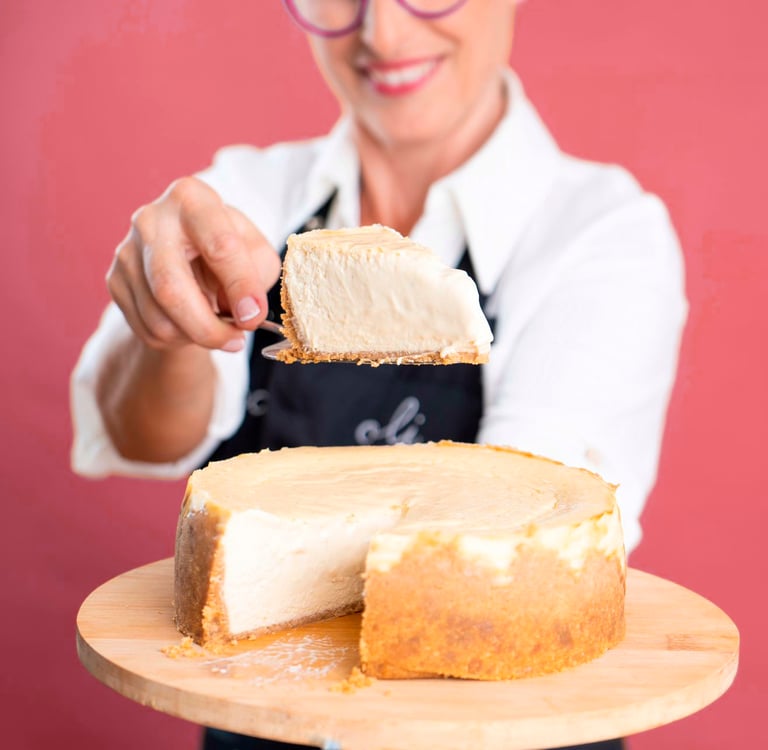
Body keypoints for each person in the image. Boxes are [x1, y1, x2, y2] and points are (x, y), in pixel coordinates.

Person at [70, 1, 688, 748]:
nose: (383, 34)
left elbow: (524, 542)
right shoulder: (241, 198)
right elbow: (143, 438)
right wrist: (166, 329)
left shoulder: (602, 233)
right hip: (262, 716)